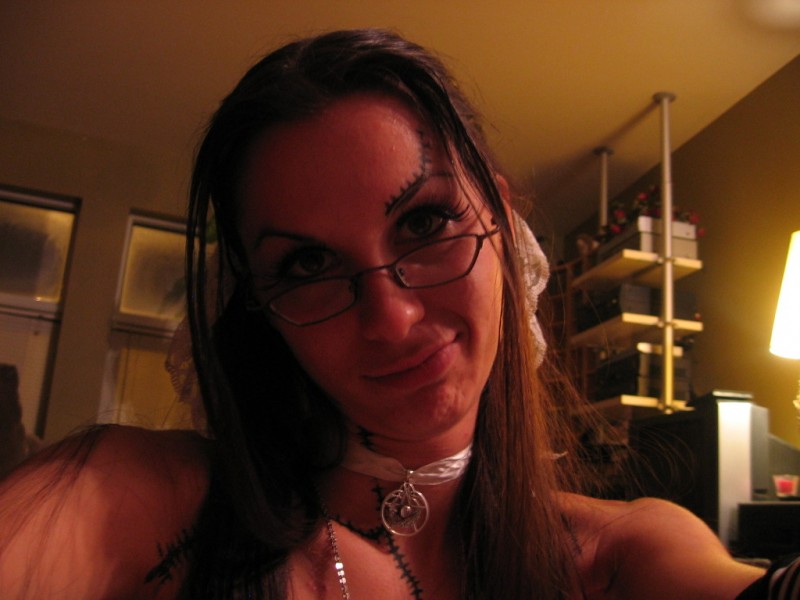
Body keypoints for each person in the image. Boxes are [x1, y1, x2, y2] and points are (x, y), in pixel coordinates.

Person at [0, 27, 785, 599]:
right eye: (308, 265)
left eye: (425, 221)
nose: (392, 318)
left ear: (501, 226)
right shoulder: (144, 501)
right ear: (259, 307)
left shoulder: (622, 556)